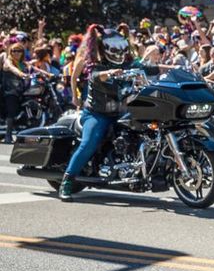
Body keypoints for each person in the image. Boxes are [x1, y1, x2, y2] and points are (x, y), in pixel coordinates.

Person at [59, 27, 165, 201]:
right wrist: (109, 73)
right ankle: (67, 181)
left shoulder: (128, 63)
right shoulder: (94, 63)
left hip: (122, 111)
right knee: (89, 142)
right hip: (97, 113)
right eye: (114, 50)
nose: (118, 54)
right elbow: (95, 76)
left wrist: (176, 67)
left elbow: (149, 68)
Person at [1, 43, 30, 143]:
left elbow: (35, 68)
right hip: (9, 90)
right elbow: (13, 69)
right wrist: (22, 74)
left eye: (19, 51)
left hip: (21, 90)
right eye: (14, 50)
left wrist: (47, 74)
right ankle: (8, 135)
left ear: (23, 52)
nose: (16, 53)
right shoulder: (8, 62)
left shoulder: (23, 63)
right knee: (11, 108)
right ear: (10, 52)